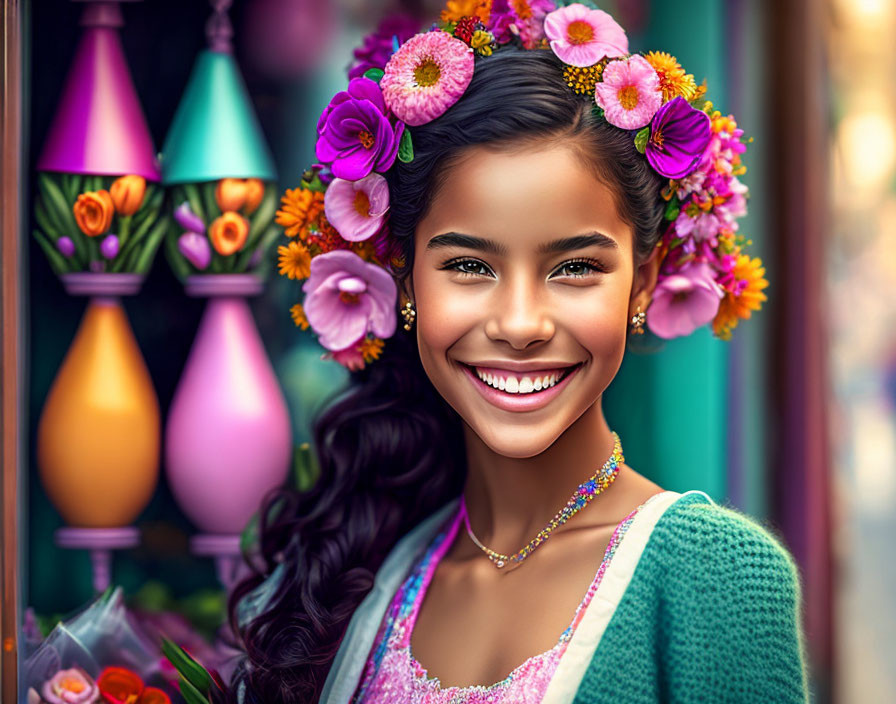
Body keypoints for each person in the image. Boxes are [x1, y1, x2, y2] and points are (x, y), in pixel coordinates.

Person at [216, 4, 809, 703]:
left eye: (575, 268)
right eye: (469, 266)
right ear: (403, 280)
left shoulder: (715, 577)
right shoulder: (367, 573)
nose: (521, 323)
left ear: (642, 283)